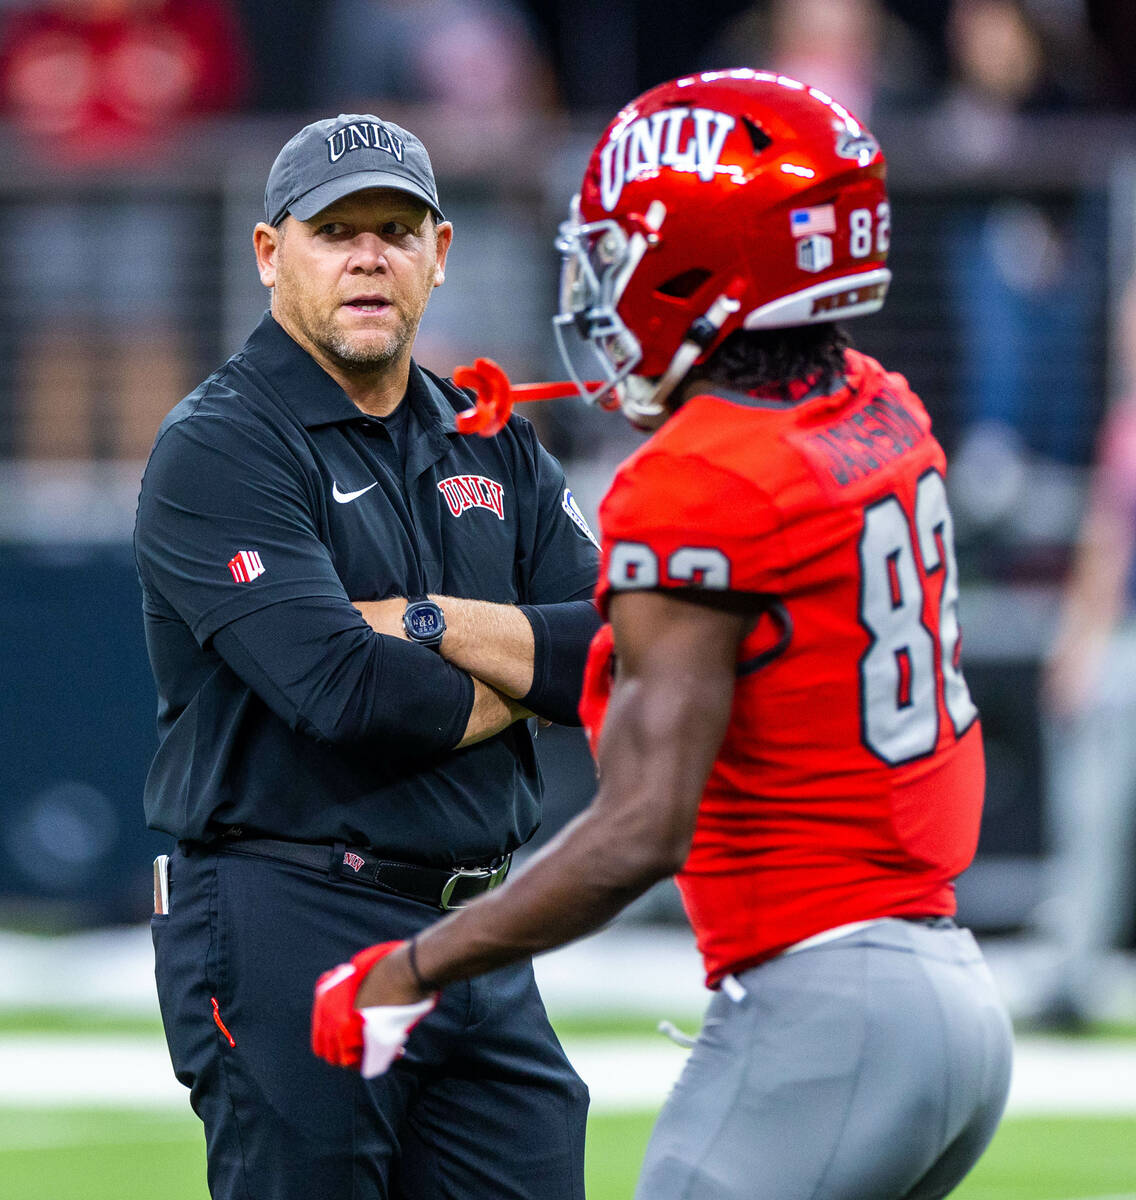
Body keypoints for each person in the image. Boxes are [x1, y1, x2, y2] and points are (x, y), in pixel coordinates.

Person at [313, 72, 1015, 1199]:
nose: (598, 286)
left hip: (821, 1011)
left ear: (699, 263)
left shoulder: (697, 483)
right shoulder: (876, 402)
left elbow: (639, 832)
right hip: (947, 999)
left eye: (617, 253)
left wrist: (409, 967)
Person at [134, 112, 599, 1199]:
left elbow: (621, 654)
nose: (366, 256)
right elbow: (347, 692)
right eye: (334, 230)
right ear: (269, 254)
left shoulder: (490, 437)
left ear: (438, 255)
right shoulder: (221, 443)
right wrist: (531, 673)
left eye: (394, 229)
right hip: (290, 910)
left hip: (479, 923)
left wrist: (433, 620)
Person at [1034, 274, 1136, 1029]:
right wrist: (1078, 642)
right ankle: (1073, 976)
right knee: (1092, 814)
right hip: (1126, 646)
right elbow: (1106, 543)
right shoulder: (1125, 427)